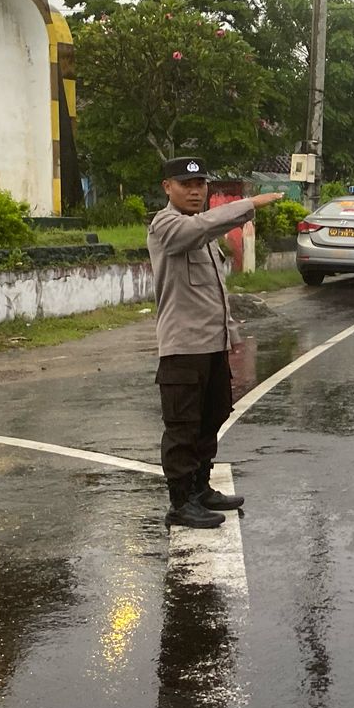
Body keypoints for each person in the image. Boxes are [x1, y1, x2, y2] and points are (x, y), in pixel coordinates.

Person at [148, 157, 283, 529]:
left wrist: (231, 336)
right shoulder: (167, 225)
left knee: (213, 418)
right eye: (185, 185)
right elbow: (197, 230)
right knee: (183, 428)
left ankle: (201, 488)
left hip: (212, 345)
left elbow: (215, 293)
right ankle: (180, 502)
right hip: (182, 348)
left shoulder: (204, 235)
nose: (194, 191)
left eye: (200, 185)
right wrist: (247, 206)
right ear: (167, 188)